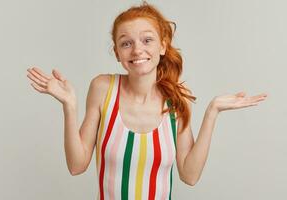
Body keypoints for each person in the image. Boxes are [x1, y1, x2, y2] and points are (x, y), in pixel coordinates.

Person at [26, 2, 267, 200]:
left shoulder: (177, 100)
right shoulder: (102, 88)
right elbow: (77, 166)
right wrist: (70, 106)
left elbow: (190, 176)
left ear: (163, 45)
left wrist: (212, 111)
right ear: (118, 53)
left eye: (147, 40)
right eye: (126, 43)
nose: (137, 50)